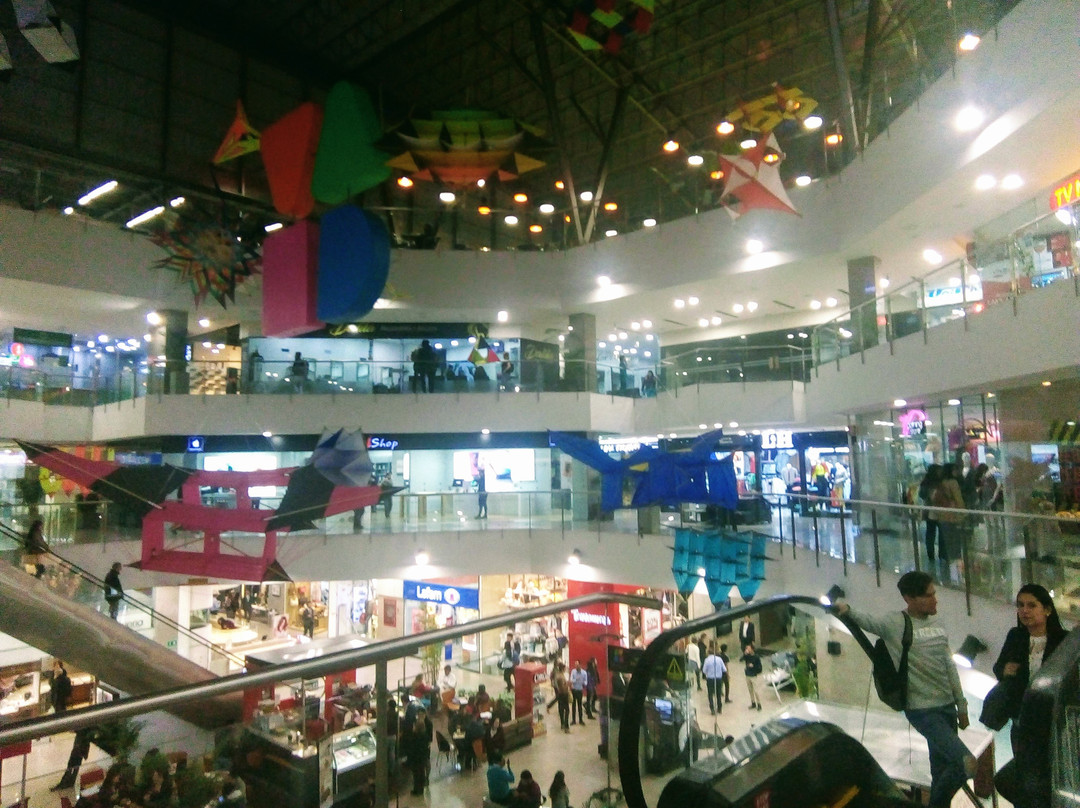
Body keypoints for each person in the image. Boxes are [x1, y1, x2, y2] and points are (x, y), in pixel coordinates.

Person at [834, 571, 974, 808]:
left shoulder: (938, 623)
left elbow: (949, 665)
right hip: (923, 711)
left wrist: (961, 705)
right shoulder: (894, 623)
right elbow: (867, 621)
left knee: (941, 771)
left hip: (947, 708)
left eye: (934, 594)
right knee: (966, 763)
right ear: (909, 598)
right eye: (928, 596)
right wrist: (846, 609)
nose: (935, 600)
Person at [991, 584, 1068, 741]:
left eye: (1032, 605)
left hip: (1052, 720)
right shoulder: (1016, 636)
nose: (1025, 610)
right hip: (1021, 719)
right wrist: (1005, 670)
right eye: (1021, 605)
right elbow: (998, 668)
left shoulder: (1062, 640)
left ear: (1047, 610)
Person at [919, 464, 945, 566]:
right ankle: (942, 554)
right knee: (940, 532)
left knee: (930, 532)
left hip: (929, 509)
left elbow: (922, 495)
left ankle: (931, 554)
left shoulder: (925, 482)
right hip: (938, 510)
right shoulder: (940, 482)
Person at [404, 706, 432, 795]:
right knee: (421, 772)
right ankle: (421, 788)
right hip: (422, 755)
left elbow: (412, 746)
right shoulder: (424, 735)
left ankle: (417, 789)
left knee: (417, 773)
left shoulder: (415, 736)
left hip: (416, 757)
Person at [702, 644, 726, 715]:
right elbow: (724, 669)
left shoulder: (707, 660)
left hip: (710, 679)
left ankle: (712, 708)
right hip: (718, 678)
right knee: (718, 693)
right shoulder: (719, 659)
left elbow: (704, 671)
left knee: (710, 694)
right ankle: (719, 708)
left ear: (708, 653)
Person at [741, 643, 763, 710]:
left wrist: (753, 666)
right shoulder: (747, 656)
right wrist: (745, 654)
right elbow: (741, 660)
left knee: (756, 690)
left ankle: (759, 703)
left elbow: (760, 668)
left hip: (753, 675)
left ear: (752, 649)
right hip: (747, 674)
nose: (747, 649)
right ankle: (753, 702)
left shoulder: (756, 657)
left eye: (748, 648)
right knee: (750, 690)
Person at [552, 662, 571, 731]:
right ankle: (566, 725)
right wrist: (568, 684)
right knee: (567, 710)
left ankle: (562, 723)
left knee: (561, 709)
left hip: (559, 694)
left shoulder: (557, 675)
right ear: (563, 668)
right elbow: (563, 686)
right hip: (564, 694)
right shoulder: (561, 676)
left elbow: (555, 684)